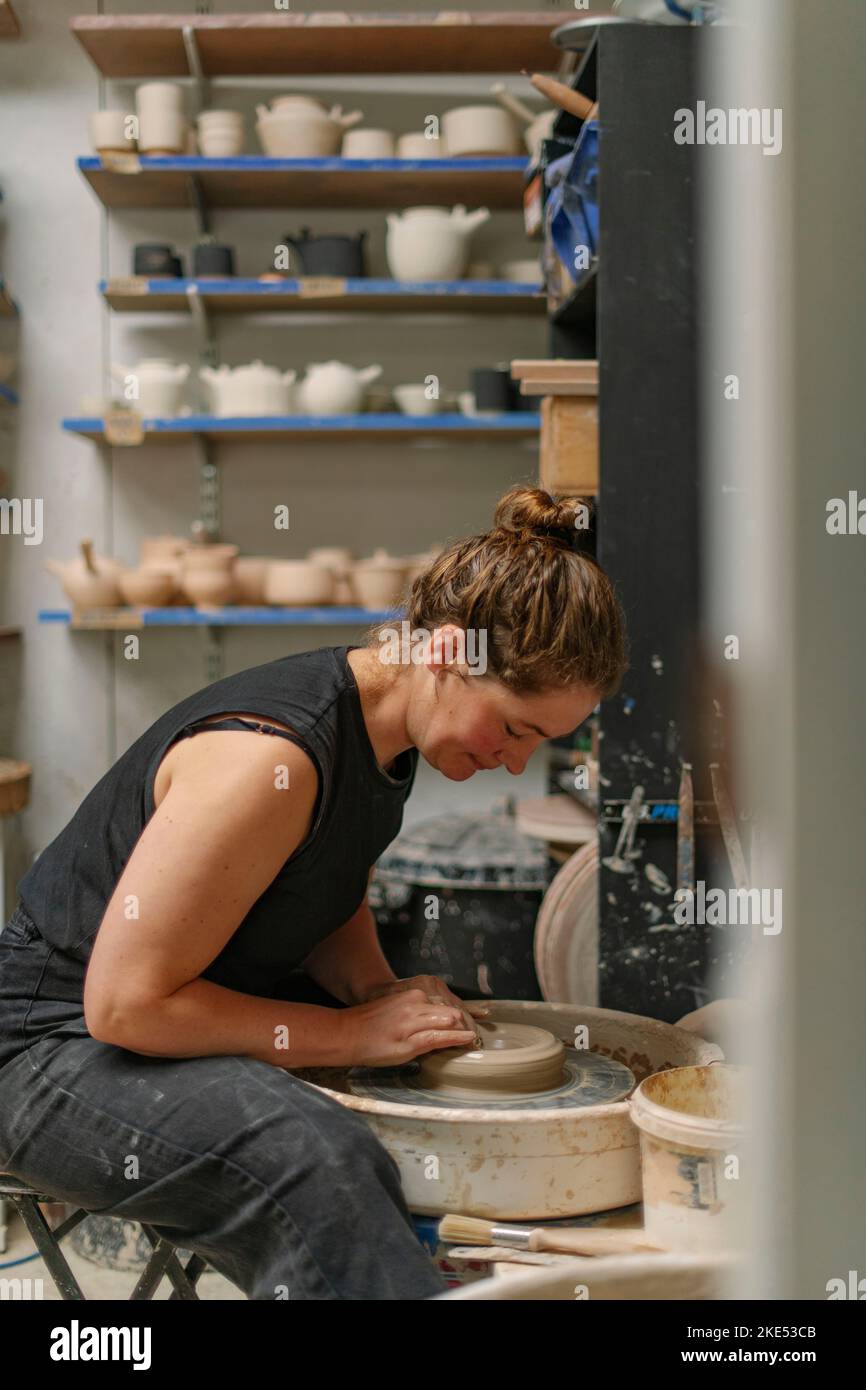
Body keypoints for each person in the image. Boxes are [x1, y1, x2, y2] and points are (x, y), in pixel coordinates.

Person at [0, 486, 627, 1300]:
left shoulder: (385, 732)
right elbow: (125, 1006)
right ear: (442, 654)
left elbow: (322, 889)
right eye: (513, 728)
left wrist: (376, 991)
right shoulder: (271, 761)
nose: (515, 761)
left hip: (173, 1004)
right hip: (50, 1043)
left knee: (457, 1031)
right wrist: (349, 1034)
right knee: (311, 1158)